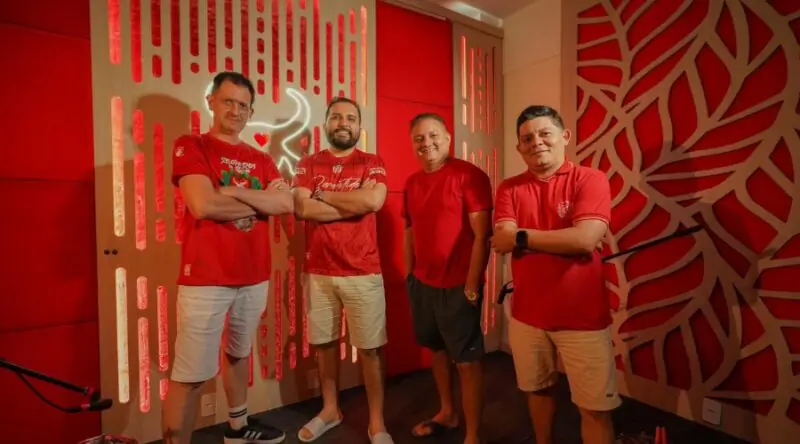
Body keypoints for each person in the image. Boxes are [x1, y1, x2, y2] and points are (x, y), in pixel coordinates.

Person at [162, 71, 293, 444]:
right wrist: (260, 202)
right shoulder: (192, 145)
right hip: (206, 278)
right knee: (190, 375)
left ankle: (238, 428)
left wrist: (230, 191)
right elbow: (203, 205)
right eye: (228, 102)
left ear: (251, 111)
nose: (236, 111)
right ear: (212, 102)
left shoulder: (261, 158)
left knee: (238, 353)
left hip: (253, 276)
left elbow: (285, 203)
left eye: (243, 105)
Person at [490, 105, 619, 444]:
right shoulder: (509, 188)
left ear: (565, 136)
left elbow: (585, 239)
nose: (536, 142)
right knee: (538, 390)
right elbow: (501, 240)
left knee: (595, 408)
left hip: (583, 318)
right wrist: (563, 238)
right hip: (527, 316)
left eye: (544, 133)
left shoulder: (589, 179)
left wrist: (522, 237)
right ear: (519, 147)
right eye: (527, 138)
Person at [292, 97, 392, 444]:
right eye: (336, 117)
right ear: (326, 123)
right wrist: (353, 204)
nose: (343, 123)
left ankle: (377, 422)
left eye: (350, 118)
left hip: (363, 269)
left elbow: (373, 201)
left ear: (359, 126)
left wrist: (323, 195)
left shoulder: (371, 161)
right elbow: (302, 209)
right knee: (325, 345)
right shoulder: (308, 163)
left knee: (371, 349)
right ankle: (330, 409)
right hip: (319, 269)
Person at [401, 113, 492, 444]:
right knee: (437, 350)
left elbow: (482, 235)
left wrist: (472, 284)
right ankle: (448, 412)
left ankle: (473, 435)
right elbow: (409, 230)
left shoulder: (469, 176)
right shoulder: (412, 183)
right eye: (419, 138)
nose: (427, 143)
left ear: (448, 138)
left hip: (458, 285)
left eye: (433, 135)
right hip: (423, 284)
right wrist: (410, 275)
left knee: (466, 361)